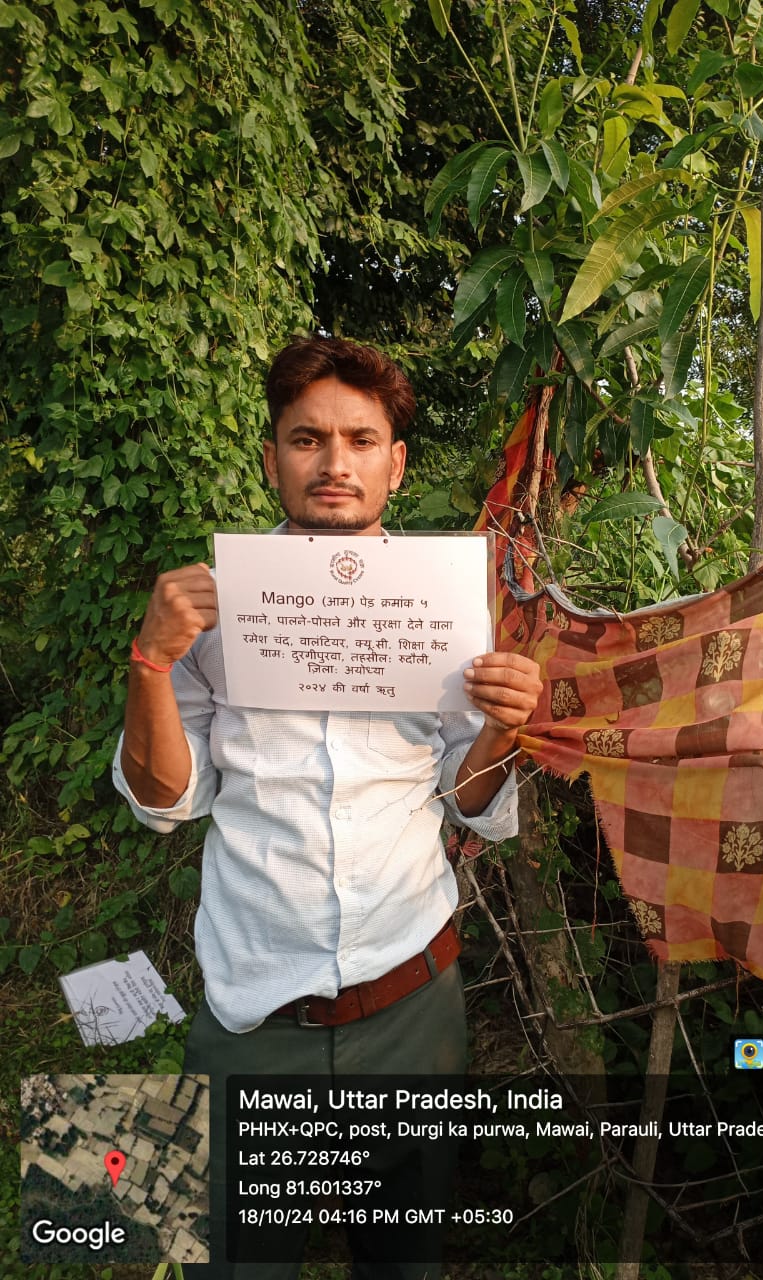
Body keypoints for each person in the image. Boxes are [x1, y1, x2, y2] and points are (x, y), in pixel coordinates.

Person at [112, 336, 543, 1279]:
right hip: (252, 1014)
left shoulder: (443, 607)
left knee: (402, 1260)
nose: (334, 462)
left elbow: (469, 804)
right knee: (235, 1260)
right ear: (272, 459)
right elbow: (166, 802)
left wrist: (506, 726)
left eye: (361, 438)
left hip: (411, 999)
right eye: (307, 439)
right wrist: (151, 660)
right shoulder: (208, 613)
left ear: (396, 463)